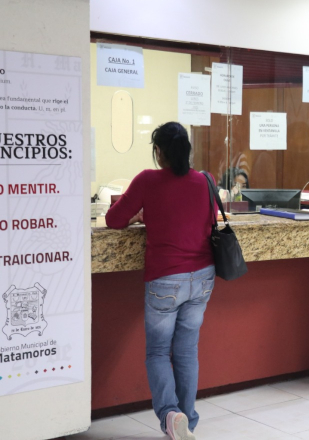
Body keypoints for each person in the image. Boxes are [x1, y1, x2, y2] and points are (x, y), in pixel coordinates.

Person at [106, 122, 215, 440]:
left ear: (158, 151)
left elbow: (114, 220)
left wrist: (140, 215)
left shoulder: (147, 180)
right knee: (186, 351)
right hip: (203, 278)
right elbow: (206, 220)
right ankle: (186, 422)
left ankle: (170, 414)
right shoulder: (205, 180)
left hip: (166, 280)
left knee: (157, 352)